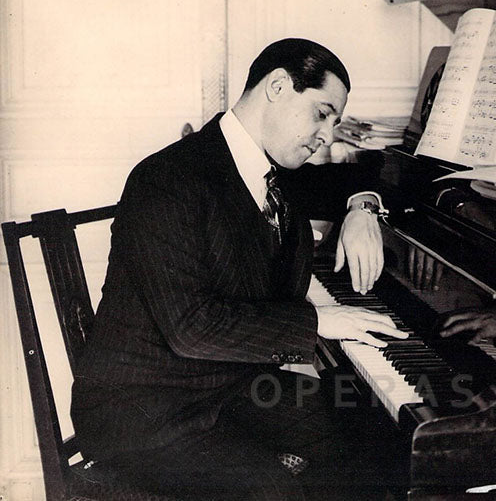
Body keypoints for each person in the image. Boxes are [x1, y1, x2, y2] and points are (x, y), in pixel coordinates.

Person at [71, 38, 408, 500]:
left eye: (336, 122)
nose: (328, 136)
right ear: (277, 87)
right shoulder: (167, 178)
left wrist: (363, 208)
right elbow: (191, 328)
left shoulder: (271, 169)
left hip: (225, 388)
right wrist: (320, 321)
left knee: (369, 433)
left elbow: (357, 174)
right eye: (322, 113)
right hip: (142, 410)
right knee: (270, 491)